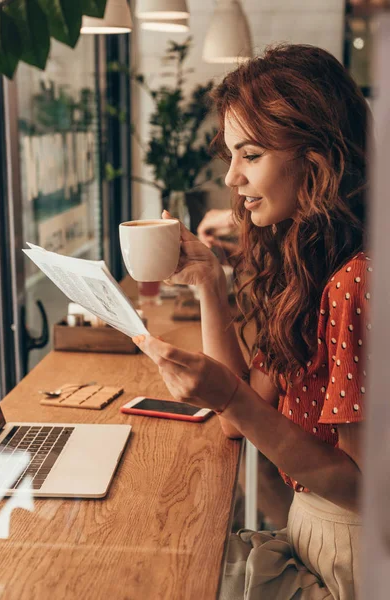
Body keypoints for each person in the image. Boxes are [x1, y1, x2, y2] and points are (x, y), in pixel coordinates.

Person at [133, 43, 370, 599]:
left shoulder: (357, 281)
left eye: (252, 154)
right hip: (316, 533)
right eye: (232, 155)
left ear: (319, 155)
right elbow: (239, 421)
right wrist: (211, 284)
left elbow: (363, 489)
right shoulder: (307, 263)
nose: (233, 177)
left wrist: (231, 399)